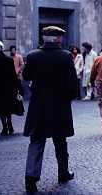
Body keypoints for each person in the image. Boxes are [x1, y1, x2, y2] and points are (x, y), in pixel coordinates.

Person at [22, 26, 77, 193]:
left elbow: (26, 76)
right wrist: (67, 98)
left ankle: (31, 178)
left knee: (36, 141)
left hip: (38, 106)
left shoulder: (32, 56)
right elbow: (73, 84)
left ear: (44, 38)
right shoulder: (66, 56)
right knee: (60, 141)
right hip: (59, 106)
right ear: (58, 39)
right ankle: (63, 172)